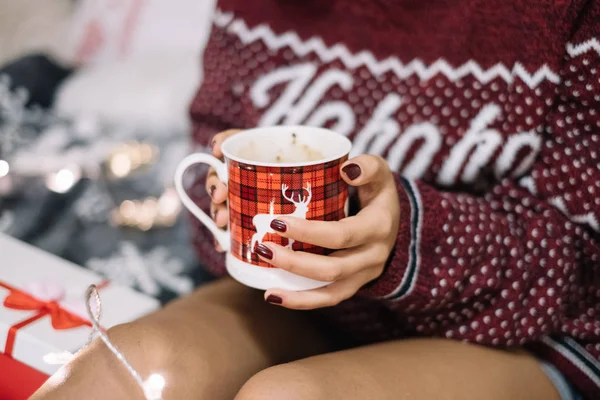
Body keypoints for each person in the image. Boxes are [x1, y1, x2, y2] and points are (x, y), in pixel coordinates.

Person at [33, 0, 599, 399]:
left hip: (530, 333)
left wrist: (402, 240)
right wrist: (227, 211)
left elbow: (580, 265)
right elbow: (211, 171)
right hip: (302, 307)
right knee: (114, 375)